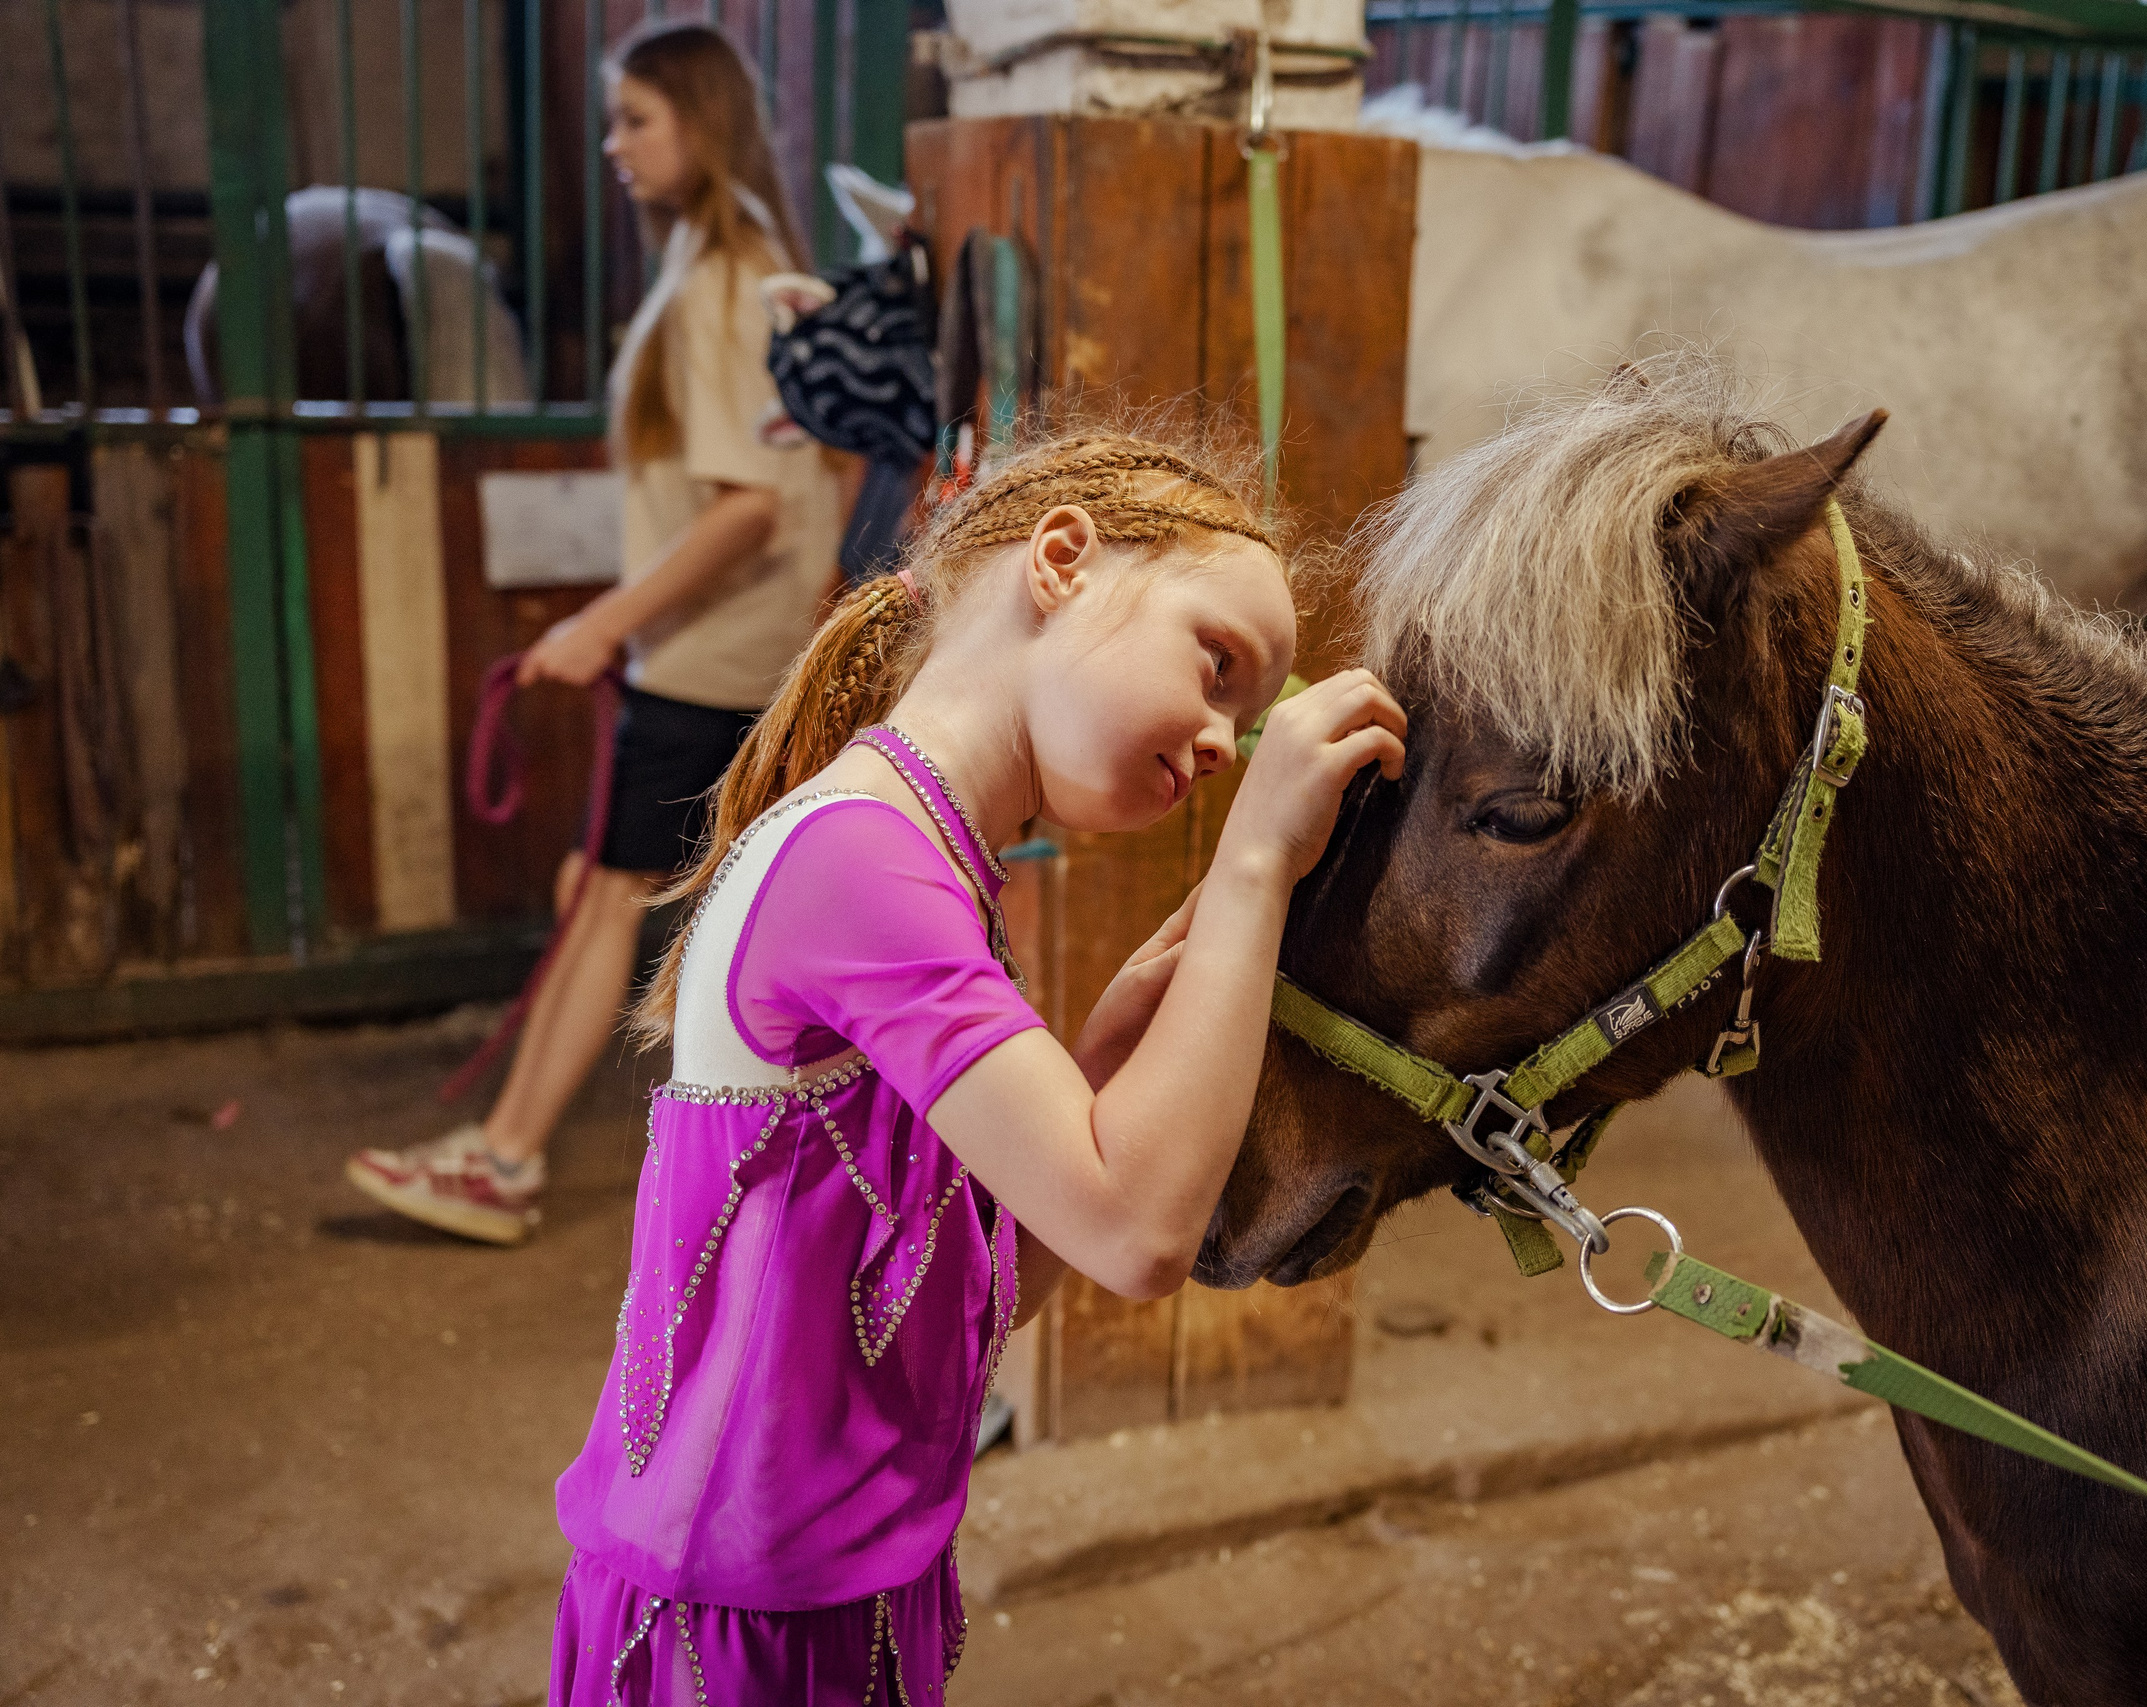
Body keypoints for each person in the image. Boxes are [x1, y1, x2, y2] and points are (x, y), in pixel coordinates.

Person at [542, 427, 1405, 1703]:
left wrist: (1108, 1039)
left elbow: (981, 1301)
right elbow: (1135, 1233)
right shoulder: (862, 862)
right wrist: (1254, 869)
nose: (1224, 741)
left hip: (823, 1580)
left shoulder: (920, 852)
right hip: (734, 1618)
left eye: (1246, 710)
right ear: (1060, 560)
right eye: (1216, 664)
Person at [347, 21, 836, 1244]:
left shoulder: (727, 281)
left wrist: (603, 625)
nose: (613, 145)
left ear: (700, 123)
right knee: (623, 893)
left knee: (609, 897)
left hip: (712, 656)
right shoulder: (731, 268)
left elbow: (752, 507)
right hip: (723, 650)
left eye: (636, 119)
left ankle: (505, 1162)